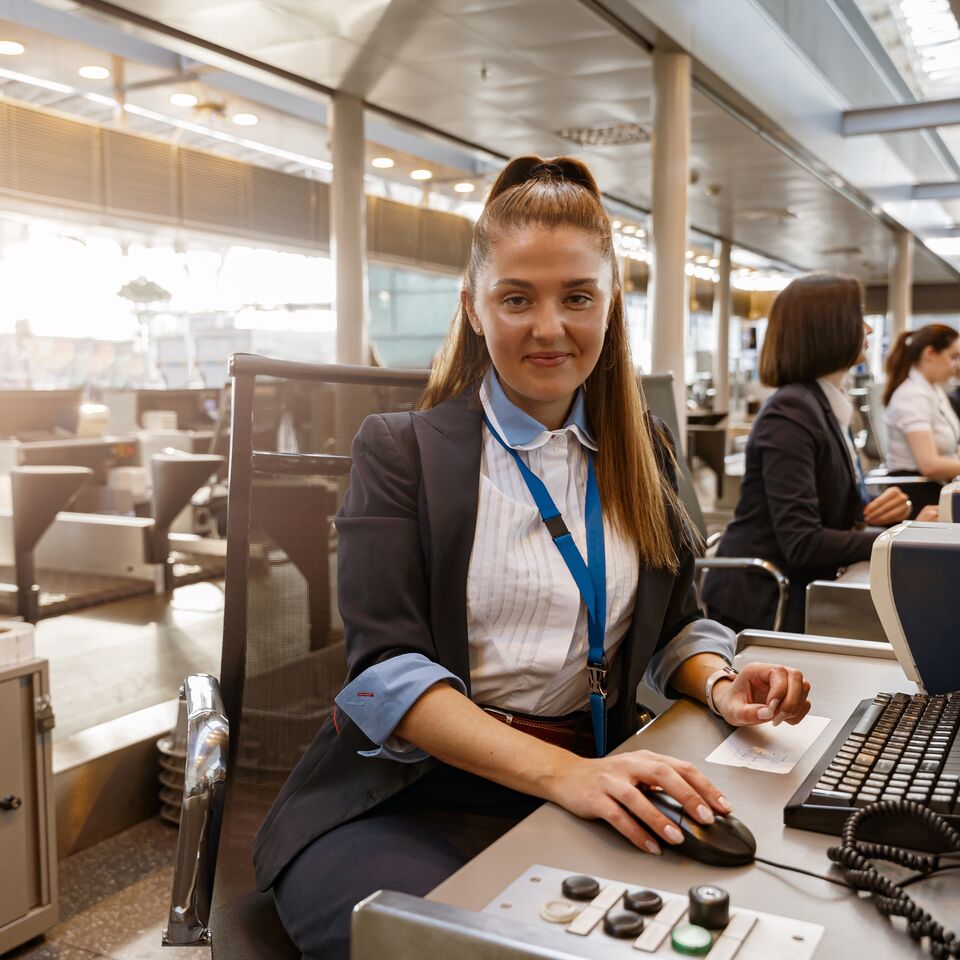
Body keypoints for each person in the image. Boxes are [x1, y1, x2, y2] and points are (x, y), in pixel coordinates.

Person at [254, 156, 812, 960]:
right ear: (474, 310)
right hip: (411, 795)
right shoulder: (402, 451)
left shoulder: (642, 450)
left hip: (591, 777)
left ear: (610, 304)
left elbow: (676, 625)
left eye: (577, 297)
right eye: (517, 298)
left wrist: (721, 686)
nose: (549, 327)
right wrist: (564, 777)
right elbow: (388, 671)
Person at [702, 274, 911, 634]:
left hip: (796, 588)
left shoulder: (823, 405)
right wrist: (896, 539)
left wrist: (877, 509)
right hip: (766, 603)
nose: (868, 330)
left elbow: (826, 500)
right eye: (857, 317)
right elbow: (802, 543)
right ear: (829, 327)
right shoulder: (791, 412)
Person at [883, 324, 960, 482]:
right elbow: (929, 465)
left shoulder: (934, 390)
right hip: (917, 494)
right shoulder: (911, 396)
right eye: (953, 357)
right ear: (930, 353)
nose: (956, 365)